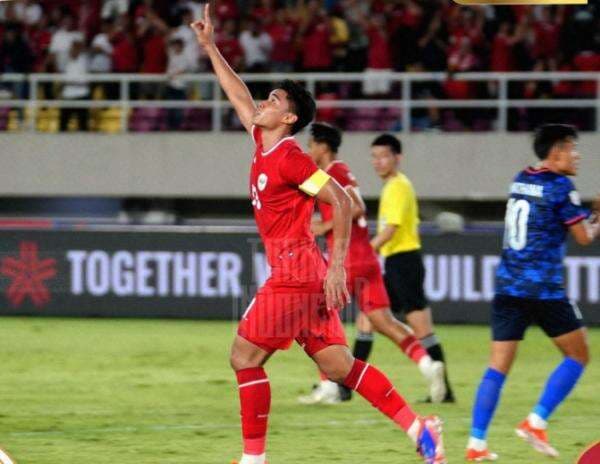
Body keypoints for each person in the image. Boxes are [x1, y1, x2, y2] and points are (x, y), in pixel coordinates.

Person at [190, 6, 446, 464]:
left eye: (273, 101)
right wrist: (211, 47)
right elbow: (238, 95)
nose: (263, 103)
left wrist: (339, 265)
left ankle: (253, 460)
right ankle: (419, 427)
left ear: (288, 119)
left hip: (296, 274)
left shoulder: (290, 159)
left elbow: (343, 202)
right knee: (338, 367)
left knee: (244, 358)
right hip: (304, 274)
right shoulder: (261, 139)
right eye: (265, 99)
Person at [466, 124, 599, 461]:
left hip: (507, 287)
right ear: (556, 151)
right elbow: (585, 237)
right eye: (572, 147)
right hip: (543, 290)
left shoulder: (521, 178)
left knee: (497, 367)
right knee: (579, 355)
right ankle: (536, 421)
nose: (577, 154)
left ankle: (476, 444)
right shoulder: (560, 186)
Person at [298, 122, 445, 405]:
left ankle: (328, 385)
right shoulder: (338, 172)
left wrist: (326, 225)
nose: (309, 150)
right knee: (384, 322)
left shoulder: (334, 171)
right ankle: (427, 365)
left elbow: (356, 208)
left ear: (323, 146)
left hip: (349, 258)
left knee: (317, 317)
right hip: (367, 258)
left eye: (311, 145)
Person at [370, 134, 455, 403]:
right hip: (399, 262)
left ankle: (445, 390)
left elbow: (391, 228)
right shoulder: (394, 186)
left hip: (403, 262)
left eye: (383, 156)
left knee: (419, 327)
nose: (378, 162)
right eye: (374, 156)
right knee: (369, 314)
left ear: (398, 157)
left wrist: (366, 250)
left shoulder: (397, 186)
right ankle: (342, 387)